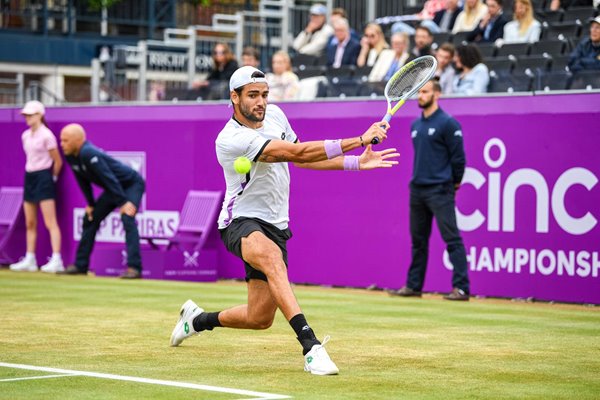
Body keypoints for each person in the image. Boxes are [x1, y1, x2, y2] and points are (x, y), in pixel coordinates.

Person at [169, 66, 400, 375]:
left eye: (264, 94)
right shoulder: (230, 139)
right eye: (252, 96)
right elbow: (298, 153)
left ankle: (196, 320)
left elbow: (306, 158)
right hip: (240, 221)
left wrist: (355, 162)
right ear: (234, 97)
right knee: (272, 259)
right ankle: (311, 347)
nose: (261, 102)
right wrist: (359, 139)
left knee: (259, 318)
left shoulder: (276, 116)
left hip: (276, 225)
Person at [389, 79, 469, 301]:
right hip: (418, 189)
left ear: (437, 95)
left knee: (451, 238)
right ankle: (414, 286)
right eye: (419, 92)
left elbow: (459, 159)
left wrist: (453, 184)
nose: (420, 96)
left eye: (425, 92)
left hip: (441, 189)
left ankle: (461, 288)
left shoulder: (448, 124)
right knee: (418, 241)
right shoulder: (416, 125)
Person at [58, 124, 145, 279]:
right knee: (90, 219)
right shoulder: (70, 155)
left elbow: (108, 178)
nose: (62, 144)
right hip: (114, 189)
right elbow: (82, 180)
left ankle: (134, 268)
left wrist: (123, 203)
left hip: (131, 184)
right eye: (61, 140)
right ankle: (80, 265)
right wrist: (91, 204)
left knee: (127, 218)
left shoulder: (88, 152)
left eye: (65, 141)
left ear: (78, 140)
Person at [9, 101, 64, 273]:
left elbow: (58, 161)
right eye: (26, 115)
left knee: (50, 222)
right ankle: (30, 259)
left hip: (44, 177)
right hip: (30, 177)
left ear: (40, 115)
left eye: (30, 115)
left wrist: (51, 178)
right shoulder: (25, 135)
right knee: (30, 222)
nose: (27, 118)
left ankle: (56, 259)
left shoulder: (47, 135)